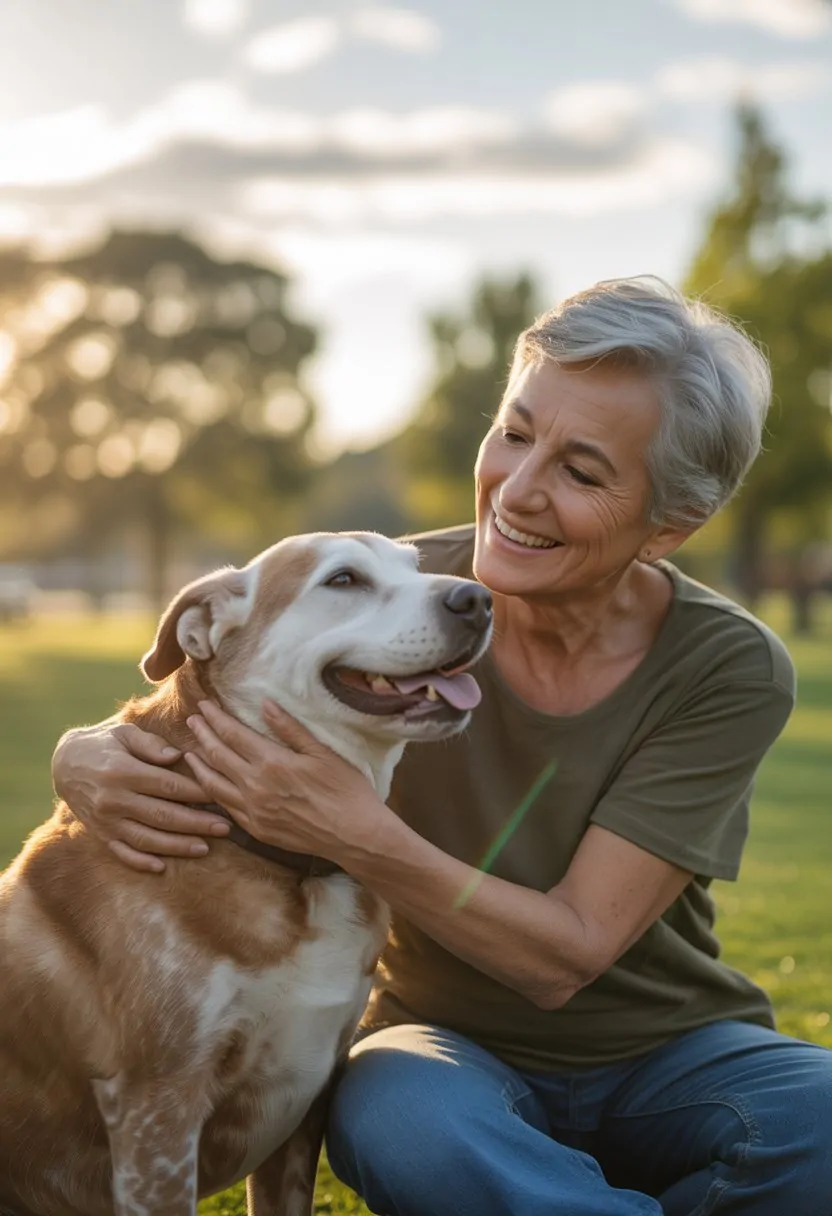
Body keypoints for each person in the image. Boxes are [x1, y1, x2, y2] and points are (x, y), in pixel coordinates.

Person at [53, 277, 832, 1215]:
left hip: (675, 1051)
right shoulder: (382, 585)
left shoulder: (727, 664)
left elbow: (567, 955)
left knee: (818, 1125)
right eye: (514, 432)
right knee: (406, 1127)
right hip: (443, 1051)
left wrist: (354, 832)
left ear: (668, 527)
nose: (521, 490)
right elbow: (224, 670)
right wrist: (86, 751)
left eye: (582, 473)